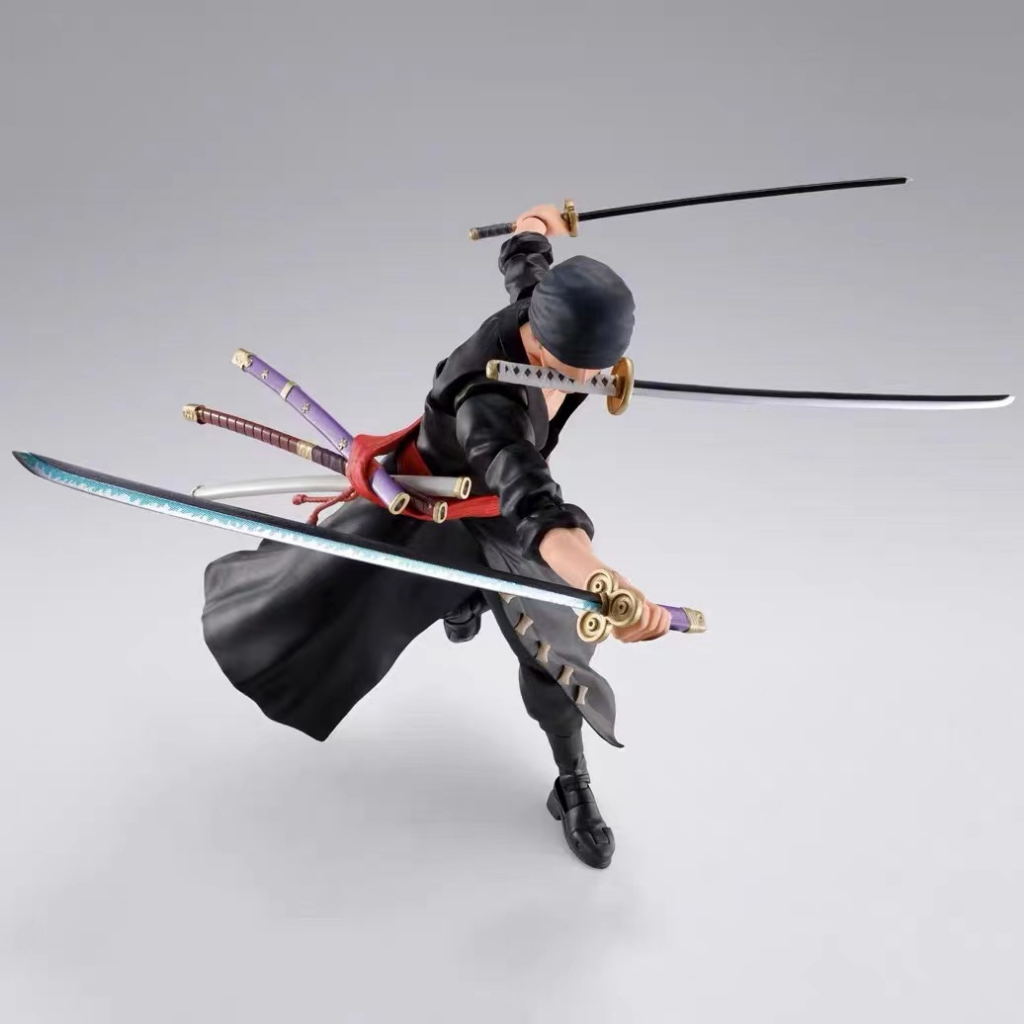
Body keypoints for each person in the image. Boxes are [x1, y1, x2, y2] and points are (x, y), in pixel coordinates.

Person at [200, 203, 670, 869]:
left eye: (603, 370)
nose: (592, 384)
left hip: (501, 507)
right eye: (580, 371)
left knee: (555, 661)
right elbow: (536, 506)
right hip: (443, 507)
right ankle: (462, 594)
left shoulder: (541, 306)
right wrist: (606, 585)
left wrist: (539, 222)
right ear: (540, 345)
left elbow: (525, 252)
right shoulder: (488, 401)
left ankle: (571, 784)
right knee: (323, 606)